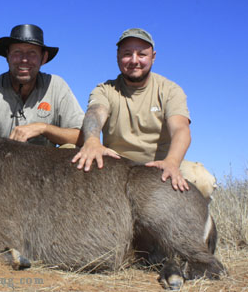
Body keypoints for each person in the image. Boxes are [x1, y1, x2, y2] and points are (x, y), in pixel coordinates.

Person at [72, 28, 203, 193]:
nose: (134, 60)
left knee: (203, 180)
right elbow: (95, 113)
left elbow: (180, 129)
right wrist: (92, 141)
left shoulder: (170, 90)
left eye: (142, 54)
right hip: (116, 167)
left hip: (161, 166)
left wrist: (172, 161)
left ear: (153, 57)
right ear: (118, 56)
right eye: (127, 54)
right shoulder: (104, 90)